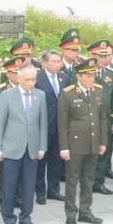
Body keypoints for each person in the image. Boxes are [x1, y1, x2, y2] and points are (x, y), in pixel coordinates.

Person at [0, 63, 47, 224]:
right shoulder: (7, 95)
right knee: (9, 185)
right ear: (19, 78)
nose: (31, 83)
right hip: (11, 147)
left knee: (29, 185)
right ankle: (9, 218)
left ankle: (26, 217)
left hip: (31, 147)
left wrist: (42, 146)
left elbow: (42, 123)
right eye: (27, 79)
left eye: (33, 79)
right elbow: (0, 122)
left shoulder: (40, 95)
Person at [58, 58, 108, 224]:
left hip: (93, 143)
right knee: (72, 180)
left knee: (88, 180)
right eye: (88, 75)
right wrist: (64, 147)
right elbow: (62, 123)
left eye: (93, 75)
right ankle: (71, 214)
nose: (92, 78)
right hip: (75, 144)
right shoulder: (68, 93)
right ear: (79, 76)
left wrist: (103, 141)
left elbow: (102, 118)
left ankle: (85, 211)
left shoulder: (98, 91)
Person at [36, 50, 70, 205]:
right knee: (40, 160)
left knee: (57, 160)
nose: (58, 64)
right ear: (45, 63)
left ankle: (53, 189)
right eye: (54, 61)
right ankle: (40, 191)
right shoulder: (37, 78)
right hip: (42, 125)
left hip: (60, 125)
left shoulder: (65, 77)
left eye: (59, 61)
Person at [0, 58, 24, 207]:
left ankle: (18, 197)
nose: (18, 76)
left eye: (20, 73)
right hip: (6, 137)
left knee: (21, 169)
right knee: (6, 170)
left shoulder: (27, 89)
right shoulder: (0, 90)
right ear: (8, 73)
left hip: (23, 137)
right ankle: (4, 198)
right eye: (15, 73)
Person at [90, 40, 113, 194]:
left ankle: (98, 182)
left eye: (105, 56)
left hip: (106, 120)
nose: (103, 59)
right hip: (89, 120)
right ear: (92, 55)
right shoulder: (83, 73)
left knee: (104, 152)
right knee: (89, 153)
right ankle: (87, 182)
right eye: (99, 56)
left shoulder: (110, 74)